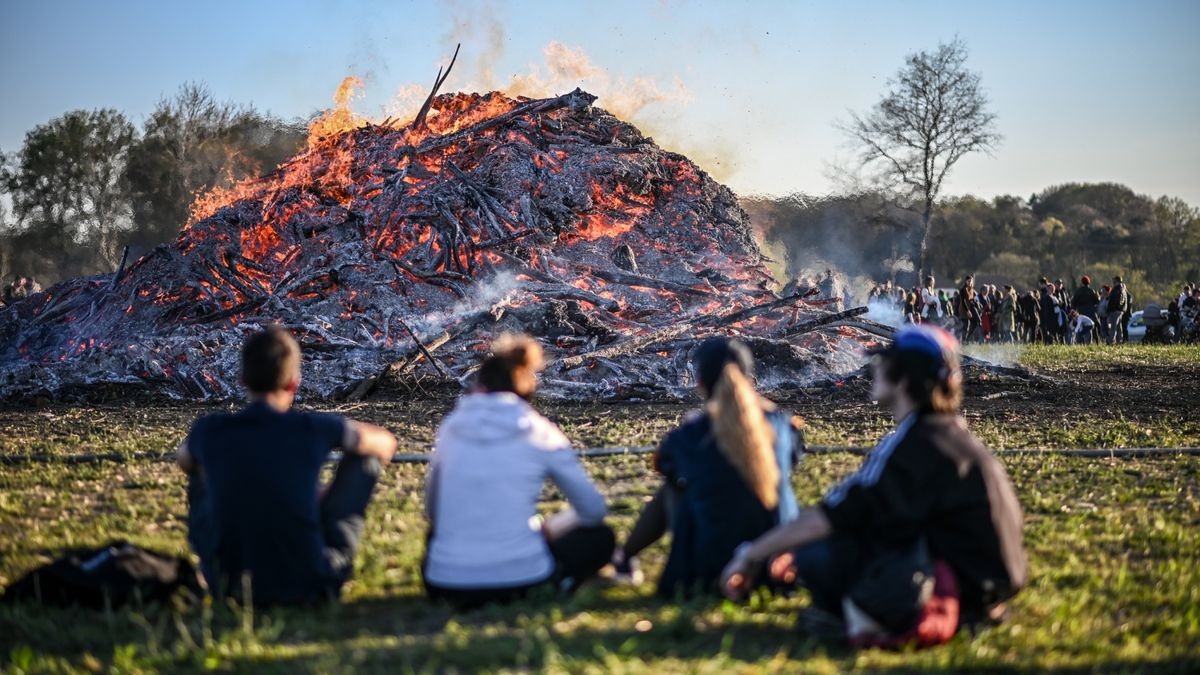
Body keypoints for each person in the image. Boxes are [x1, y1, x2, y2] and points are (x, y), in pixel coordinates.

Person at [720, 325, 1027, 645]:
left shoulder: (913, 443)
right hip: (989, 585)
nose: (875, 371)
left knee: (818, 554)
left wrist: (751, 554)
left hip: (957, 585)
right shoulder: (950, 435)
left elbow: (833, 515)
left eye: (883, 364)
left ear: (904, 378)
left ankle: (882, 617)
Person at [178, 326, 397, 604]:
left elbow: (184, 460)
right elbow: (385, 443)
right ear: (294, 383)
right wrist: (323, 495)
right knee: (365, 456)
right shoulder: (313, 428)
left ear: (242, 378)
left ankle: (221, 561)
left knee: (198, 469)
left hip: (229, 584)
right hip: (312, 582)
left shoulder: (210, 430)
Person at [423, 335, 614, 609]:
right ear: (527, 391)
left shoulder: (452, 427)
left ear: (479, 386)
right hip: (524, 581)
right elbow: (593, 511)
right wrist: (549, 528)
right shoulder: (540, 431)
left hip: (445, 586)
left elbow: (433, 511)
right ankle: (558, 585)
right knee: (600, 538)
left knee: (436, 537)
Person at [613, 338, 804, 597]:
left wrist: (692, 424)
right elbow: (791, 460)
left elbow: (666, 466)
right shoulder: (783, 426)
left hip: (705, 574)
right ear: (750, 380)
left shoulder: (689, 436)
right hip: (776, 575)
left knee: (674, 488)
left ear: (700, 383)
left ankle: (623, 556)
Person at [1072, 276, 1102, 344]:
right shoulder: (1091, 291)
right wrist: (1098, 297)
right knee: (1093, 328)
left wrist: (1074, 311)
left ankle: (1081, 343)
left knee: (1082, 328)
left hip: (1081, 312)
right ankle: (1097, 342)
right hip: (1091, 312)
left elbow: (1073, 302)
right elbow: (1097, 302)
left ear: (1082, 282)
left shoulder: (1078, 291)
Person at [1106, 276, 1128, 344]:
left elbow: (1115, 300)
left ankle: (1111, 341)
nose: (1113, 282)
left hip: (1115, 310)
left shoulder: (1117, 289)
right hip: (1120, 310)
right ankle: (1119, 340)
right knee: (1118, 326)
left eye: (1114, 281)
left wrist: (1112, 308)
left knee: (1113, 326)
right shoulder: (1123, 289)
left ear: (1117, 281)